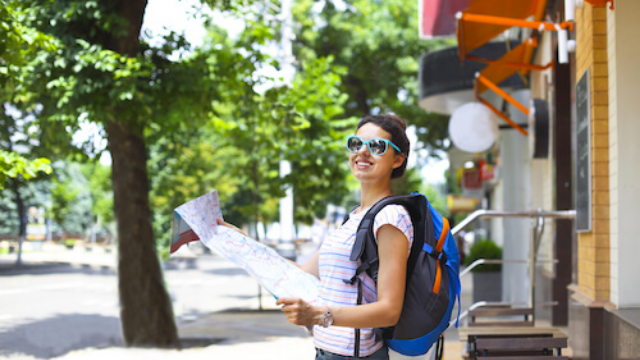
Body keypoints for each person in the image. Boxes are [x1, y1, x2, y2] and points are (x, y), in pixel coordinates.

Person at [219, 114, 414, 360]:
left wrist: (320, 315)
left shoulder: (390, 217)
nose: (363, 152)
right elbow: (301, 274)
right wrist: (241, 241)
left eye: (376, 146)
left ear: (397, 160)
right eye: (356, 144)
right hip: (326, 352)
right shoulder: (353, 218)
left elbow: (389, 310)